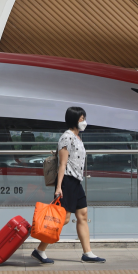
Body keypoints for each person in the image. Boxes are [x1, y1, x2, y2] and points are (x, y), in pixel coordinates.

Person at [31, 106, 105, 264]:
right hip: (67, 181)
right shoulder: (67, 137)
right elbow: (62, 164)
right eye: (81, 119)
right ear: (74, 120)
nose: (84, 121)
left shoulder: (78, 138)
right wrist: (59, 188)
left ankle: (88, 253)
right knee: (62, 218)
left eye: (84, 118)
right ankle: (40, 250)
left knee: (83, 214)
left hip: (76, 181)